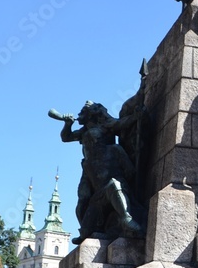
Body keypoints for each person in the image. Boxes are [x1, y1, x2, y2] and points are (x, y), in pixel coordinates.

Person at [60, 101, 145, 244]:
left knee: (113, 186)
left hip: (106, 168)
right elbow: (66, 137)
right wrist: (68, 124)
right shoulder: (84, 130)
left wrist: (136, 117)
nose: (79, 114)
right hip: (89, 169)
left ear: (91, 114)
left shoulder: (106, 127)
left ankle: (126, 218)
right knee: (83, 200)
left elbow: (122, 123)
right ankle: (85, 231)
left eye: (82, 111)